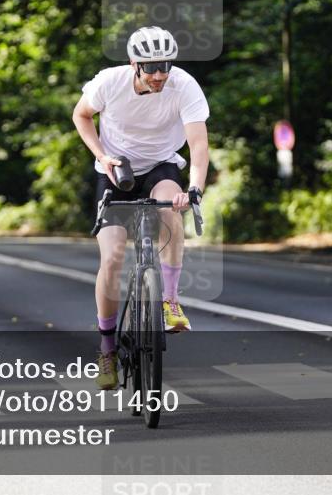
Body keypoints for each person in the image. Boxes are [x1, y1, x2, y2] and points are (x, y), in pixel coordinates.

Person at [71, 25, 209, 390]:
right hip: (117, 171)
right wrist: (102, 155)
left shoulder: (184, 86)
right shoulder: (110, 83)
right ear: (134, 64)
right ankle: (107, 348)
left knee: (170, 212)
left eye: (165, 65)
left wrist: (194, 188)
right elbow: (81, 115)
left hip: (161, 165)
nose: (160, 74)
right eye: (151, 67)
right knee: (113, 257)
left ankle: (170, 301)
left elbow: (198, 144)